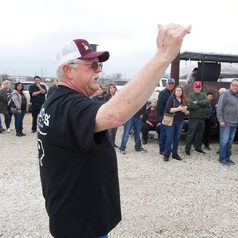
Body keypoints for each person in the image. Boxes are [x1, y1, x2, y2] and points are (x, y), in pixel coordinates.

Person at [37, 24, 191, 238]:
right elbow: (115, 114)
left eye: (99, 64)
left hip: (74, 214)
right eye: (91, 65)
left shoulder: (56, 100)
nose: (99, 70)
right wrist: (164, 55)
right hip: (81, 224)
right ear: (67, 70)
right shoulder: (68, 105)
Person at [216, 79, 238, 166]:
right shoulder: (225, 95)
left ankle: (227, 157)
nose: (235, 87)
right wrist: (221, 120)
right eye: (233, 85)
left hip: (234, 123)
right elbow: (219, 108)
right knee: (224, 140)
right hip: (226, 122)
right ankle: (222, 158)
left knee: (230, 141)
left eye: (237, 85)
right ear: (230, 85)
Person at [163, 85, 189, 161]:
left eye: (180, 90)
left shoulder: (184, 100)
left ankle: (175, 154)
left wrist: (186, 111)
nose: (178, 92)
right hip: (171, 121)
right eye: (177, 90)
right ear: (175, 91)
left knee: (177, 139)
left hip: (180, 121)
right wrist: (178, 109)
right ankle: (166, 155)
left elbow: (188, 111)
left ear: (182, 92)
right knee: (169, 138)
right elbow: (168, 110)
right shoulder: (171, 99)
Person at [185, 81, 208, 156]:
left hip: (202, 118)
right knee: (190, 134)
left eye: (199, 87)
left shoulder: (203, 94)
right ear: (194, 87)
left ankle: (198, 148)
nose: (197, 88)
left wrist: (197, 102)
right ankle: (187, 149)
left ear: (201, 88)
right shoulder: (191, 95)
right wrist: (201, 104)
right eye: (196, 87)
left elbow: (206, 103)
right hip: (193, 118)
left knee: (200, 134)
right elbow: (191, 106)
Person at [157, 78, 175, 154]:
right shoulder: (163, 93)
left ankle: (166, 148)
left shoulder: (172, 93)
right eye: (169, 84)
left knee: (168, 134)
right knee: (163, 133)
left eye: (172, 84)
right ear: (166, 84)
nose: (170, 85)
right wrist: (162, 115)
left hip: (170, 116)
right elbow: (160, 105)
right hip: (164, 116)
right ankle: (162, 149)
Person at [104, 83, 118, 147]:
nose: (112, 89)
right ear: (109, 89)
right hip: (109, 115)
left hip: (116, 116)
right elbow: (105, 105)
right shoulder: (107, 96)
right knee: (109, 131)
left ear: (115, 88)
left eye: (113, 87)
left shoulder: (118, 95)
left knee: (114, 131)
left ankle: (113, 143)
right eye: (111, 88)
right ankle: (109, 144)